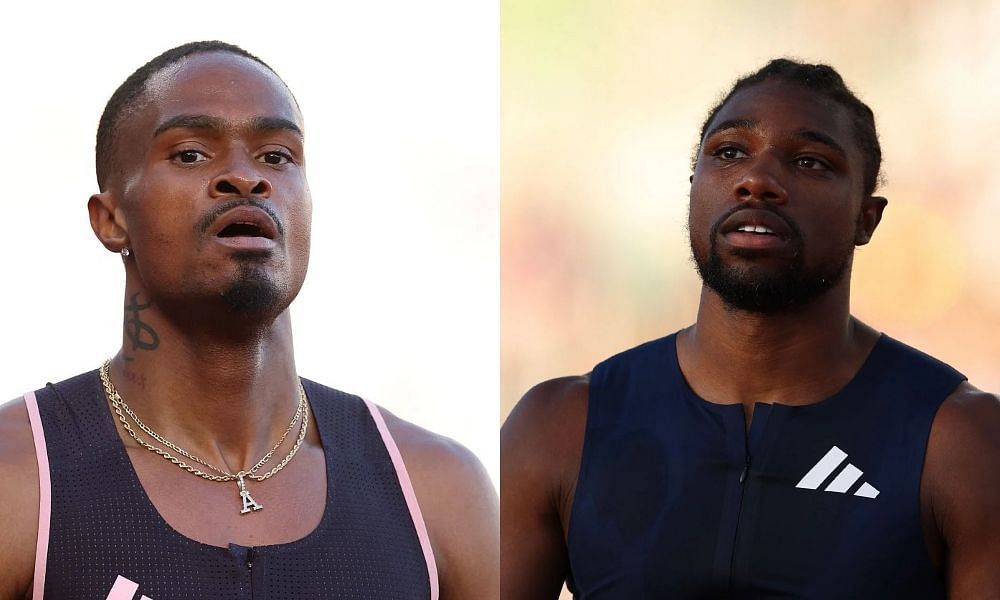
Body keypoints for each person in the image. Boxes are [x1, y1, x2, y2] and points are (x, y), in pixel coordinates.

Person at [0, 41, 498, 600]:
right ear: (111, 219)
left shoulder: (436, 492)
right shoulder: (20, 481)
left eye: (277, 156)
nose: (245, 178)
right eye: (190, 153)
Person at [500, 59, 999, 599]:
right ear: (694, 186)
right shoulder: (558, 429)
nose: (757, 180)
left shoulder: (961, 442)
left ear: (866, 218)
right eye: (730, 152)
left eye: (810, 161)